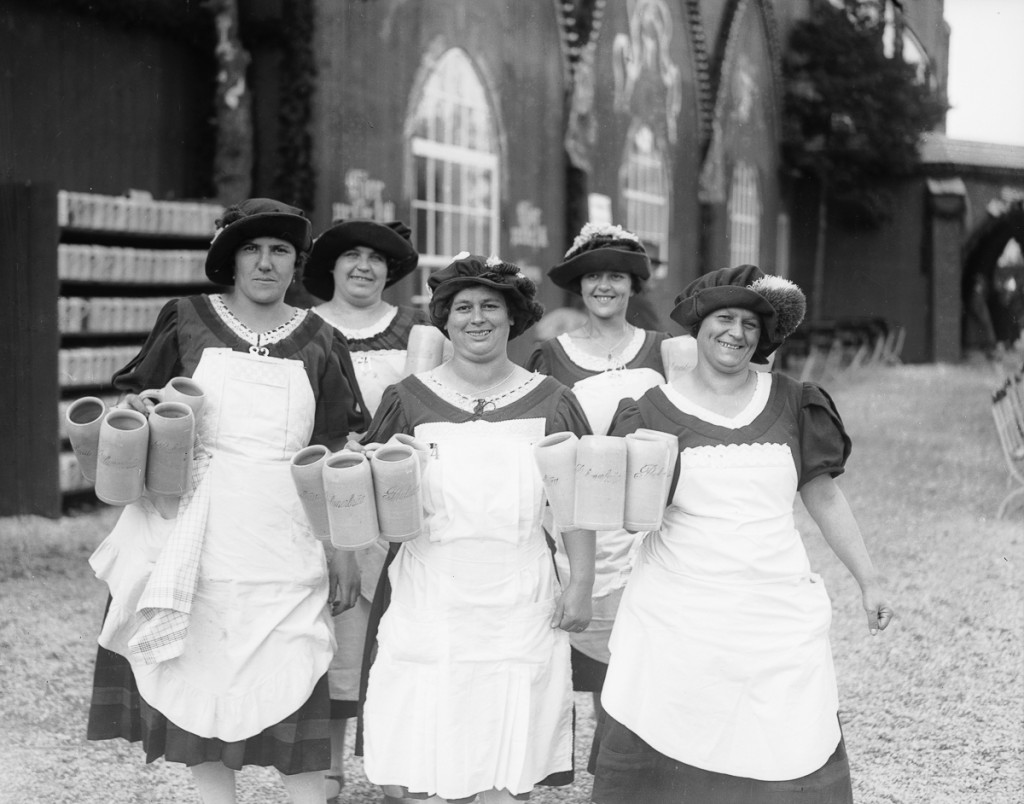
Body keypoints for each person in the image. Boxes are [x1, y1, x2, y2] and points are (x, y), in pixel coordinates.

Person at [86, 198, 369, 804]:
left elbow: (330, 447)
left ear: (296, 264)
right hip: (193, 527)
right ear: (229, 258)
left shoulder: (321, 338)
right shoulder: (186, 318)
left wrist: (342, 545)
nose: (266, 263)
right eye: (252, 249)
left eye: (281, 251)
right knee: (198, 663)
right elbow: (139, 401)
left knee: (293, 667)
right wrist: (137, 409)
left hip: (282, 532)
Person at [591, 265, 895, 804]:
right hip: (680, 616)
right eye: (723, 318)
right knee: (676, 749)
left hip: (774, 612)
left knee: (782, 747)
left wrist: (868, 580)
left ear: (764, 336)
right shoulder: (650, 412)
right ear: (698, 325)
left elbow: (823, 495)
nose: (736, 332)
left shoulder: (794, 401)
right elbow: (626, 514)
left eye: (750, 324)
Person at [357, 253, 596, 804]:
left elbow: (576, 503)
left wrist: (580, 581)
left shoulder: (553, 400)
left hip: (520, 594)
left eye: (491, 306)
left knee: (507, 753)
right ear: (444, 320)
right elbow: (372, 500)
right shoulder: (408, 398)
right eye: (462, 307)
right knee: (424, 750)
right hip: (430, 591)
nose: (476, 318)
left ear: (514, 317)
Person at [302, 218, 431, 800]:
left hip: (401, 493)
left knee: (400, 629)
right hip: (327, 491)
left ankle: (397, 762)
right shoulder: (304, 328)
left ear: (391, 269)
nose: (363, 267)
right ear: (329, 266)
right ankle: (327, 765)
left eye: (376, 259)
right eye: (350, 256)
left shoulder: (418, 328)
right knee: (336, 627)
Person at [526, 223, 667, 716]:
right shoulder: (552, 354)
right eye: (592, 277)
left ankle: (624, 765)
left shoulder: (663, 349)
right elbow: (542, 440)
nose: (603, 286)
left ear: (633, 285)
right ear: (578, 285)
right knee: (561, 656)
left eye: (616, 276)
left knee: (646, 651)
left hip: (647, 520)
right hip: (581, 517)